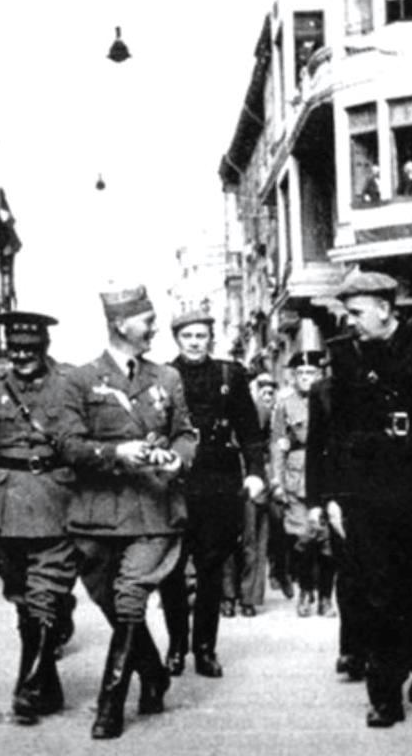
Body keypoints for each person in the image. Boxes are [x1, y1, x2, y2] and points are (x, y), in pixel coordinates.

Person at [307, 271, 412, 728]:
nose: (352, 322)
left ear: (385, 308)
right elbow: (337, 434)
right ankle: (384, 693)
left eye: (358, 313)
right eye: (348, 314)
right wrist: (333, 497)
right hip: (368, 491)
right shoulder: (344, 355)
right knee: (376, 592)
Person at [54, 285, 197, 740]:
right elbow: (68, 444)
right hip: (97, 515)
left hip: (154, 508)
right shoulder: (79, 379)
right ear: (121, 324)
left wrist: (178, 457)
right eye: (148, 320)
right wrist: (117, 453)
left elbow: (185, 433)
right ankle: (153, 674)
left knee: (131, 596)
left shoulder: (167, 378)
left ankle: (110, 704)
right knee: (115, 606)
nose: (156, 327)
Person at [0, 311, 79, 725]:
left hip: (53, 498)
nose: (22, 356)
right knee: (20, 595)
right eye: (15, 350)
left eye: (30, 349)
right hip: (5, 505)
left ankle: (28, 686)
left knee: (43, 594)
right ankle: (48, 682)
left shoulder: (68, 385)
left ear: (44, 348)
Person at [159, 310, 266, 678]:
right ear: (177, 338)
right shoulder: (163, 376)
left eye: (201, 336)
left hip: (219, 480)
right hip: (177, 481)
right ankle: (176, 646)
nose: (194, 342)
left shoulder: (229, 374)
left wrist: (255, 473)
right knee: (172, 568)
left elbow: (250, 430)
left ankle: (205, 648)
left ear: (211, 338)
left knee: (211, 567)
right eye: (187, 335)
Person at [271, 351, 334, 618]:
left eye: (311, 373)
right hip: (298, 477)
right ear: (294, 377)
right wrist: (277, 479)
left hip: (329, 474)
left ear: (320, 375)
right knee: (303, 538)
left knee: (329, 541)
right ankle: (306, 591)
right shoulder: (286, 404)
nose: (306, 379)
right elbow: (278, 444)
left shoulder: (333, 398)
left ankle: (326, 597)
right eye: (301, 374)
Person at [223, 371, 278, 617]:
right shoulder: (218, 405)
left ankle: (248, 597)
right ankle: (226, 595)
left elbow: (264, 445)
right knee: (225, 540)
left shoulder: (261, 411)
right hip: (225, 477)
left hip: (252, 479)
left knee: (252, 539)